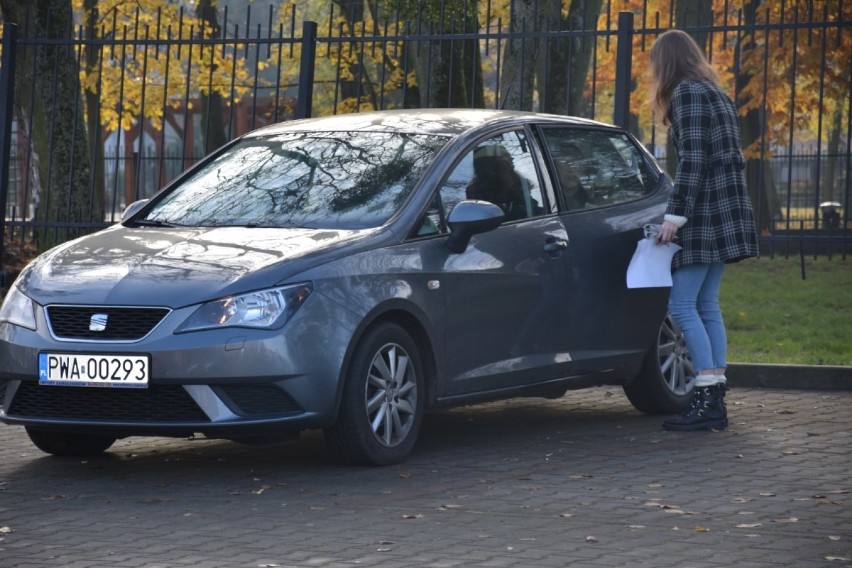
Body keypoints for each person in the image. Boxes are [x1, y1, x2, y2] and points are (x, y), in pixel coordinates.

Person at [649, 30, 759, 431]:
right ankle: (714, 399)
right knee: (707, 305)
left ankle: (707, 397)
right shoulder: (715, 92)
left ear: (667, 62)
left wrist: (673, 218)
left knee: (682, 305)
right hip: (723, 207)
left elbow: (693, 160)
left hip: (704, 211)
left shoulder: (687, 94)